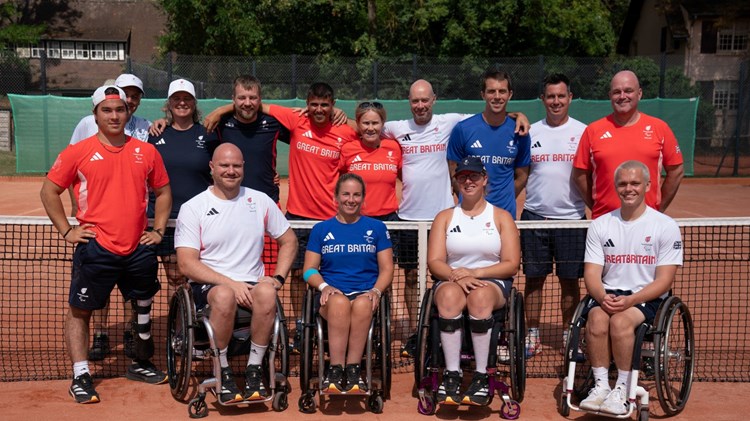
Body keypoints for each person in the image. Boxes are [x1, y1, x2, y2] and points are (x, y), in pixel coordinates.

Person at [40, 85, 172, 404]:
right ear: (95, 114)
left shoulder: (146, 151)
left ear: (128, 113)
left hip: (139, 248)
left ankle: (139, 363)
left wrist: (158, 230)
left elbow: (164, 191)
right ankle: (81, 374)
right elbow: (49, 191)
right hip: (96, 249)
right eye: (107, 110)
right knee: (80, 311)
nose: (115, 116)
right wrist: (67, 231)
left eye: (120, 110)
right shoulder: (78, 151)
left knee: (142, 305)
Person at [383, 79, 530, 358]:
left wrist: (517, 114)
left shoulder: (452, 122)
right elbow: (367, 123)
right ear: (409, 101)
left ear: (434, 99)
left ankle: (486, 336)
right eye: (415, 100)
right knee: (413, 277)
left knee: (478, 272)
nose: (420, 105)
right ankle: (419, 332)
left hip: (444, 214)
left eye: (425, 100)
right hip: (409, 218)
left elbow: (493, 110)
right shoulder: (397, 128)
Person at [175, 143, 297, 403]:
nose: (230, 171)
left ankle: (254, 368)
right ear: (212, 168)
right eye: (224, 165)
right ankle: (223, 370)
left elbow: (289, 240)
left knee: (267, 292)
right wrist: (231, 283)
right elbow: (186, 264)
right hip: (210, 287)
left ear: (243, 168)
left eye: (236, 166)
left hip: (252, 284)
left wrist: (278, 278)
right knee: (224, 296)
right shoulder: (193, 207)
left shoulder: (260, 200)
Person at [577, 160, 682, 415]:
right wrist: (602, 297)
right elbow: (591, 273)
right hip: (608, 293)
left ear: (647, 185)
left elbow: (664, 280)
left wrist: (633, 299)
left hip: (647, 296)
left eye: (635, 183)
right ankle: (601, 386)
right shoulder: (601, 224)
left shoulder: (665, 226)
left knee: (620, 323)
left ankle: (623, 390)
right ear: (615, 187)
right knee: (596, 319)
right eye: (623, 183)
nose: (629, 188)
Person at [68, 73, 152, 361]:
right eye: (125, 93)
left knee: (135, 293)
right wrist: (75, 216)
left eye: (134, 95)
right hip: (98, 231)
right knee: (96, 294)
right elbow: (71, 168)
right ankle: (102, 334)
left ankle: (131, 333)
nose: (129, 99)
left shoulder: (147, 127)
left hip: (135, 228)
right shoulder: (87, 126)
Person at [427, 156, 520, 406]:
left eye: (474, 176)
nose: (468, 181)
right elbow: (435, 261)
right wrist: (454, 275)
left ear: (484, 179)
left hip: (491, 282)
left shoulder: (501, 217)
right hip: (452, 280)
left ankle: (481, 374)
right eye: (462, 177)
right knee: (447, 296)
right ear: (456, 181)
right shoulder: (444, 217)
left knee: (479, 297)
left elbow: (511, 263)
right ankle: (452, 373)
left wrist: (474, 274)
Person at [302, 173, 393, 394]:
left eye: (356, 195)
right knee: (340, 302)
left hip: (366, 294)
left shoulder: (377, 228)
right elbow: (309, 270)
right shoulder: (321, 230)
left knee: (362, 304)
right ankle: (335, 369)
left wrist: (376, 291)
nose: (351, 200)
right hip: (331, 296)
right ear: (336, 197)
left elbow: (387, 269)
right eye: (345, 194)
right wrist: (324, 286)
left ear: (363, 198)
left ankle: (353, 369)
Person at [521, 73, 587, 358]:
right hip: (534, 217)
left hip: (572, 219)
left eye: (561, 96)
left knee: (570, 281)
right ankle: (531, 335)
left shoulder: (585, 132)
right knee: (534, 280)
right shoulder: (529, 131)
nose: (556, 101)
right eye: (550, 96)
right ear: (543, 99)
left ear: (570, 98)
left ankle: (569, 335)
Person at [572, 70, 684, 219]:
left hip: (648, 222)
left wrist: (658, 209)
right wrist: (598, 207)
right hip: (604, 222)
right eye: (617, 92)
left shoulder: (660, 128)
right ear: (610, 95)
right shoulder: (593, 130)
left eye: (628, 91)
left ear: (639, 93)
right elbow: (579, 174)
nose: (622, 96)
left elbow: (676, 171)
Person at [147, 78, 213, 289]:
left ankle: (195, 322)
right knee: (175, 278)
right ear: (169, 104)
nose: (182, 103)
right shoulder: (155, 134)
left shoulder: (208, 134)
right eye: (177, 99)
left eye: (187, 98)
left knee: (198, 279)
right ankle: (174, 322)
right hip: (164, 220)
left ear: (194, 103)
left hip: (200, 220)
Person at [447, 69, 531, 218]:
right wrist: (469, 198)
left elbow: (522, 175)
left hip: (504, 216)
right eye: (491, 91)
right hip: (469, 215)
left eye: (502, 91)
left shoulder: (520, 132)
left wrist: (505, 197)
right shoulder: (463, 129)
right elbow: (454, 171)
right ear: (483, 94)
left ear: (509, 94)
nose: (497, 97)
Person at [340, 101, 402, 219]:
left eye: (375, 123)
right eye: (366, 123)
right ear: (358, 123)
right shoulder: (348, 149)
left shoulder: (393, 147)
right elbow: (339, 180)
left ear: (382, 123)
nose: (370, 128)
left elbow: (402, 179)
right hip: (357, 218)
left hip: (389, 219)